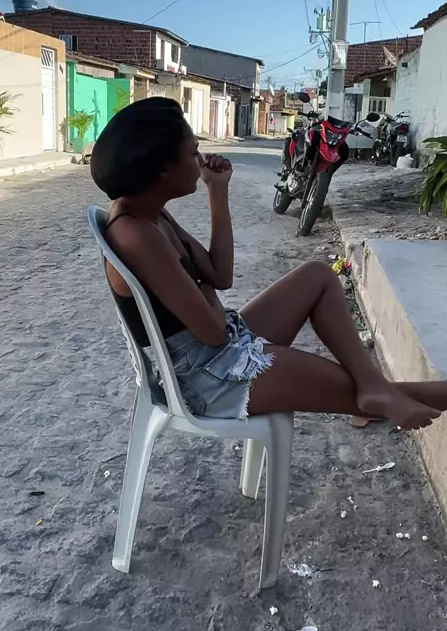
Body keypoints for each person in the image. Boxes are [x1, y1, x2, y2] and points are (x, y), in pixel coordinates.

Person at [90, 97, 446, 431]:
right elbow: (212, 330)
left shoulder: (150, 212)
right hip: (203, 379)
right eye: (192, 152)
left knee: (318, 276)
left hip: (218, 348)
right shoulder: (138, 236)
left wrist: (217, 191)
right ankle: (381, 393)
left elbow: (219, 275)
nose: (200, 161)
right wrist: (204, 291)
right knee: (352, 392)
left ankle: (374, 387)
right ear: (162, 168)